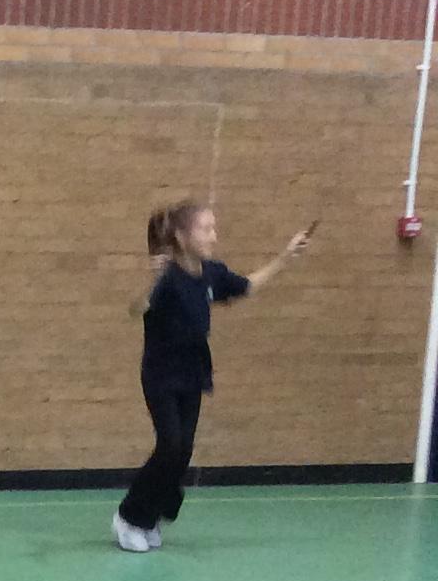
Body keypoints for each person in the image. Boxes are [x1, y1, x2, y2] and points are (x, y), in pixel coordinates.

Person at [113, 201, 315, 551]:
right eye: (205, 229)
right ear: (182, 236)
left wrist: (286, 256)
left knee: (183, 452)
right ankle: (128, 517)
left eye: (213, 228)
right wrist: (151, 281)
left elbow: (247, 286)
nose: (213, 236)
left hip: (192, 374)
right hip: (161, 375)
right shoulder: (167, 278)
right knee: (170, 445)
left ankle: (151, 515)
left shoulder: (210, 274)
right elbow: (135, 310)